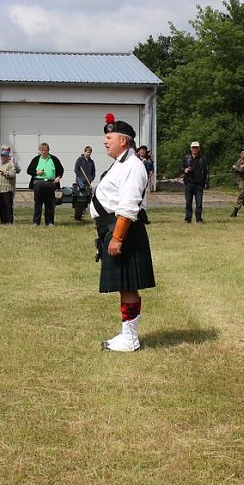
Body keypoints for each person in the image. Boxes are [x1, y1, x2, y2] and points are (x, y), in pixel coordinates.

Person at [92, 118, 155, 352]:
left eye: (109, 137)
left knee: (128, 285)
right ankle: (126, 334)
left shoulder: (133, 165)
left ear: (123, 140)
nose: (105, 141)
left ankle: (130, 339)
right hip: (113, 229)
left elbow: (128, 206)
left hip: (122, 230)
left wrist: (117, 237)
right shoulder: (121, 163)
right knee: (124, 285)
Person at [26, 142, 64, 226]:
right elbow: (29, 170)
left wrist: (58, 177)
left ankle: (49, 222)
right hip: (38, 183)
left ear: (48, 150)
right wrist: (36, 172)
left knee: (50, 204)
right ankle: (36, 222)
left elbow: (61, 169)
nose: (43, 152)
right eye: (42, 150)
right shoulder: (36, 159)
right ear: (39, 150)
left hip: (51, 183)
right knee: (38, 203)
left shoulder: (54, 159)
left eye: (45, 150)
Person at [181, 141, 208, 223]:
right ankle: (188, 219)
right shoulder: (186, 158)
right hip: (189, 183)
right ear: (191, 149)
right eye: (193, 148)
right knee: (188, 203)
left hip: (199, 184)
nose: (195, 149)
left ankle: (199, 219)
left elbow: (206, 171)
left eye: (196, 147)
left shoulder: (203, 158)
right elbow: (181, 166)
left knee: (199, 203)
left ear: (199, 148)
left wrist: (206, 182)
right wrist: (184, 170)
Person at [0, 148, 17, 224]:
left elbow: (12, 174)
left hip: (7, 189)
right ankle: (3, 221)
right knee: (1, 206)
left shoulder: (11, 164)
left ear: (8, 157)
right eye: (2, 156)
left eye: (4, 156)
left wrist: (3, 172)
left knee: (8, 206)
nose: (3, 157)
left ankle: (9, 221)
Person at [73, 146, 96, 221]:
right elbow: (76, 170)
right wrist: (81, 177)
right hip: (80, 179)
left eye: (89, 152)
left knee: (90, 197)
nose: (88, 154)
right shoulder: (80, 160)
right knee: (82, 190)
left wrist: (91, 179)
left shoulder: (91, 162)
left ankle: (92, 213)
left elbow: (93, 172)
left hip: (88, 181)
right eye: (87, 152)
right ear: (84, 152)